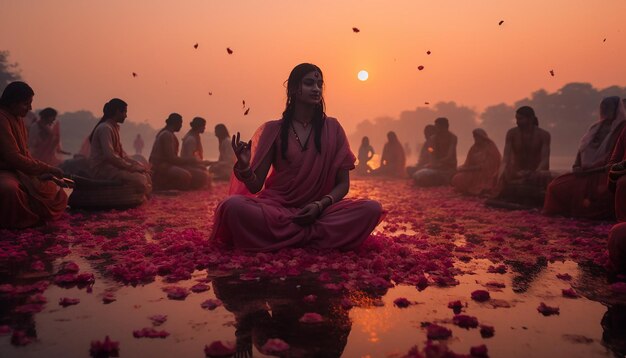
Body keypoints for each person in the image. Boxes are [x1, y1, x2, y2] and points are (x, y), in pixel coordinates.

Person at [210, 63, 383, 252]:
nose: (316, 89)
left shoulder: (333, 128)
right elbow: (255, 186)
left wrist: (319, 205)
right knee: (232, 205)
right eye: (309, 83)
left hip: (321, 211)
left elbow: (343, 184)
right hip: (278, 209)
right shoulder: (273, 129)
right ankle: (312, 237)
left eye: (319, 84)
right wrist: (244, 167)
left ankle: (285, 237)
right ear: (294, 89)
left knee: (371, 208)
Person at [543, 97, 626, 219]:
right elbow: (581, 150)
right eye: (603, 107)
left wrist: (599, 168)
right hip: (584, 173)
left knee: (603, 193)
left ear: (617, 109)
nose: (605, 110)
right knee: (555, 186)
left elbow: (615, 159)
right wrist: (577, 166)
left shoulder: (621, 128)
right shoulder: (595, 127)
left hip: (604, 174)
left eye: (608, 107)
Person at [0, 81, 68, 229]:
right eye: (26, 104)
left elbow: (25, 153)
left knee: (54, 188)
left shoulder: (18, 119)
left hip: (19, 168)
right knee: (10, 189)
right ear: (12, 102)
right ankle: (19, 222)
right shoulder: (2, 118)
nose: (30, 108)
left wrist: (43, 172)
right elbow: (13, 156)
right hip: (5, 169)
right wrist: (47, 168)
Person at [490, 106, 551, 207]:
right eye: (516, 119)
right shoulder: (511, 133)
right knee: (503, 173)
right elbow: (506, 158)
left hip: (535, 172)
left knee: (545, 175)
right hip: (516, 172)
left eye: (520, 119)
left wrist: (535, 172)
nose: (517, 122)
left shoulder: (543, 135)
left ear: (530, 119)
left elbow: (545, 160)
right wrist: (501, 173)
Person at [88, 98, 151, 196]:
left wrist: (137, 165)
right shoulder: (105, 128)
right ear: (117, 111)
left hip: (112, 168)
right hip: (102, 169)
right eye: (125, 112)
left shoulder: (113, 128)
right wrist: (131, 168)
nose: (126, 116)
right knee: (140, 179)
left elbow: (122, 155)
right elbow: (110, 155)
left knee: (145, 174)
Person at [149, 113, 210, 190]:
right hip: (160, 167)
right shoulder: (166, 135)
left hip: (167, 165)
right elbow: (171, 159)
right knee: (187, 175)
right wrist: (191, 160)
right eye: (180, 123)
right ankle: (166, 187)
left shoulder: (169, 134)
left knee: (201, 173)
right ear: (175, 123)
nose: (181, 126)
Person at [451, 128, 501, 196]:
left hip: (487, 175)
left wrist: (466, 169)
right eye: (474, 137)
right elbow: (468, 163)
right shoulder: (474, 148)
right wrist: (461, 168)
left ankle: (482, 190)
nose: (475, 139)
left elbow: (488, 166)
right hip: (474, 173)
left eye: (477, 137)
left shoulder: (491, 148)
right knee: (457, 178)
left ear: (482, 137)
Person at [413, 117, 457, 186]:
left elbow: (450, 155)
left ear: (444, 127)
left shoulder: (452, 138)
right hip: (434, 165)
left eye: (438, 127)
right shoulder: (433, 138)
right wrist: (432, 162)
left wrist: (439, 162)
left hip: (448, 165)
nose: (436, 129)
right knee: (419, 172)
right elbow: (431, 152)